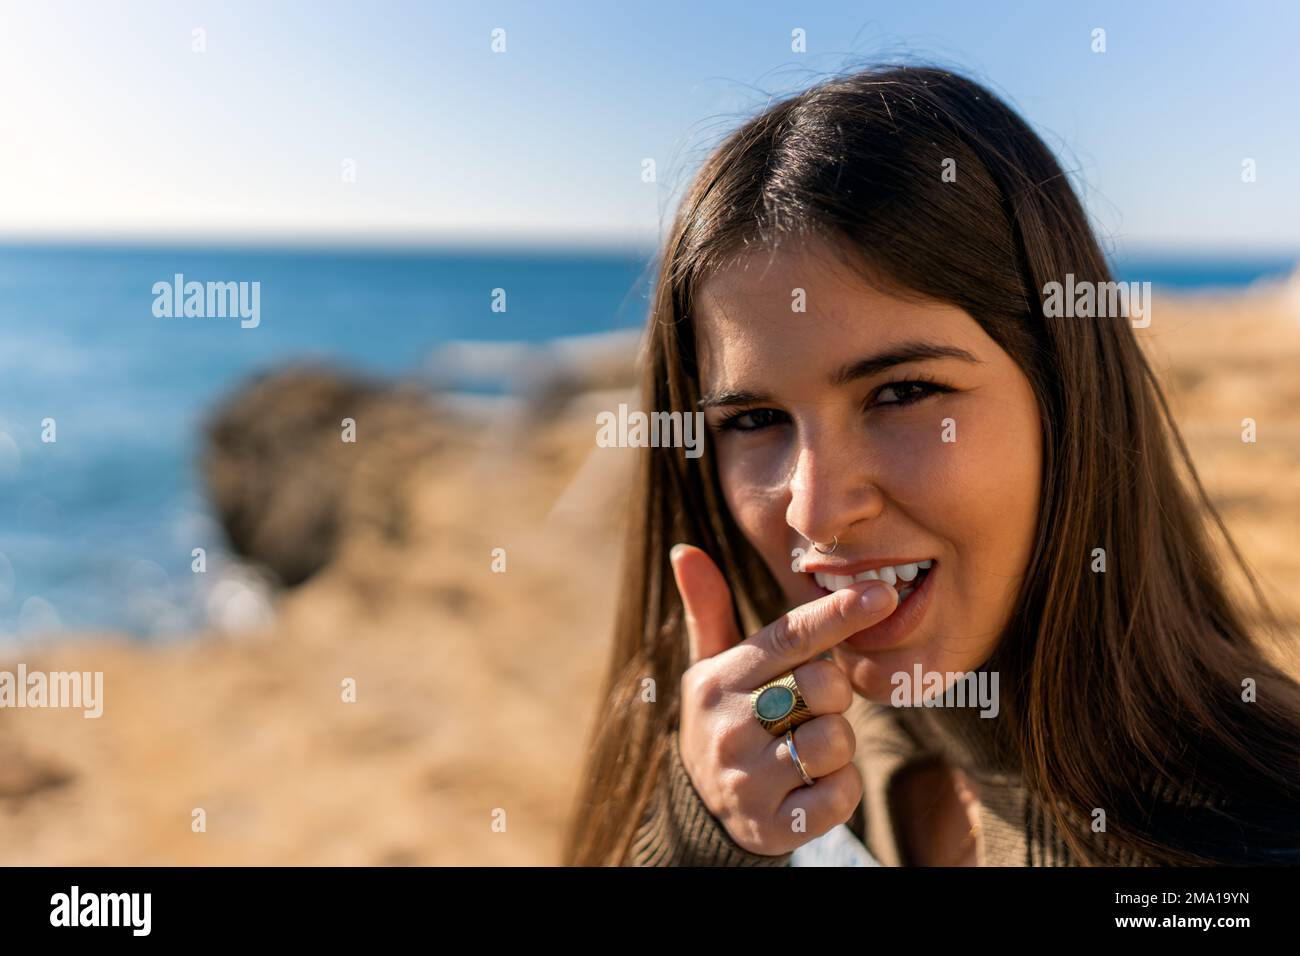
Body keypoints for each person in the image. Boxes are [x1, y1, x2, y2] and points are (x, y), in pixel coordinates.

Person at [562, 65, 1300, 867]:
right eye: (756, 418)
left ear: (1067, 395)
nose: (815, 510)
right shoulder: (757, 781)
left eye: (903, 392)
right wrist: (702, 840)